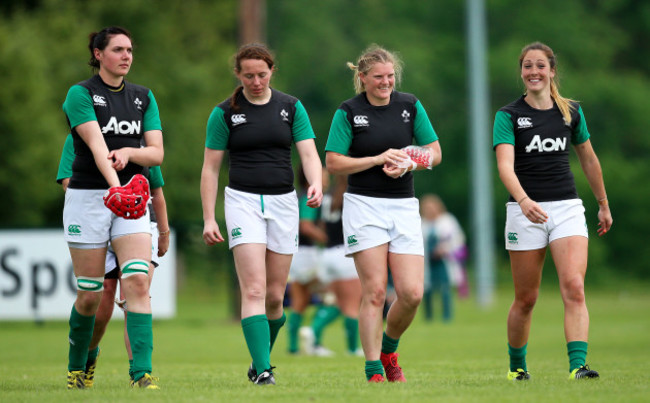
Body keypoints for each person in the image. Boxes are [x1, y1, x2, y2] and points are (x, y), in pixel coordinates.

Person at [200, 43, 323, 386]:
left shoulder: (290, 107)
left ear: (272, 71)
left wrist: (315, 183)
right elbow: (210, 169)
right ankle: (264, 371)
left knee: (273, 297)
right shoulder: (224, 113)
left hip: (284, 202)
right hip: (242, 201)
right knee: (252, 290)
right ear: (238, 75)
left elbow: (309, 154)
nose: (256, 81)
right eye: (249, 75)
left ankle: (259, 361)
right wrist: (209, 217)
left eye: (262, 74)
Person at [493, 42, 613, 381]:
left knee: (574, 286)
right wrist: (523, 201)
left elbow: (588, 158)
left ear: (552, 70)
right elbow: (505, 165)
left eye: (540, 66)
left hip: (567, 207)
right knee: (526, 299)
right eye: (528, 66)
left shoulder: (571, 111)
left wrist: (603, 204)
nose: (534, 72)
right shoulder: (509, 115)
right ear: (521, 71)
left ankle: (578, 366)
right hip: (524, 212)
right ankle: (517, 367)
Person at [325, 45, 441, 383]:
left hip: (404, 206)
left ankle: (389, 348)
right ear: (362, 79)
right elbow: (333, 162)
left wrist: (410, 160)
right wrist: (377, 159)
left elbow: (435, 152)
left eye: (390, 77)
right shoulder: (348, 112)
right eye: (378, 78)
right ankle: (375, 369)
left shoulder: (410, 105)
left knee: (411, 293)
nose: (385, 83)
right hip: (364, 206)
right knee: (375, 292)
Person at [62, 26, 163, 390]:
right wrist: (115, 186)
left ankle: (142, 374)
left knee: (137, 279)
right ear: (98, 53)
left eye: (130, 50)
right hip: (90, 198)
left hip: (132, 200)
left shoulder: (143, 97)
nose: (126, 56)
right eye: (118, 49)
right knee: (90, 295)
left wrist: (131, 155)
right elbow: (94, 143)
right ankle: (79, 366)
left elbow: (156, 152)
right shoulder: (80, 94)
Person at [57, 134, 169, 386]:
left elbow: (156, 189)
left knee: (137, 287)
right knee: (101, 298)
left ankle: (140, 373)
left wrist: (163, 231)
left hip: (139, 219)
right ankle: (88, 355)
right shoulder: (79, 136)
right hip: (97, 216)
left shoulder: (140, 137)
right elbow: (67, 182)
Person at [286, 167, 329, 355]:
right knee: (335, 293)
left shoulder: (300, 195)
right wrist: (328, 238)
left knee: (300, 301)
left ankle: (294, 347)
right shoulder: (308, 196)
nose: (327, 178)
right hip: (306, 254)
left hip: (297, 253)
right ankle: (314, 337)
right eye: (324, 174)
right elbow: (306, 226)